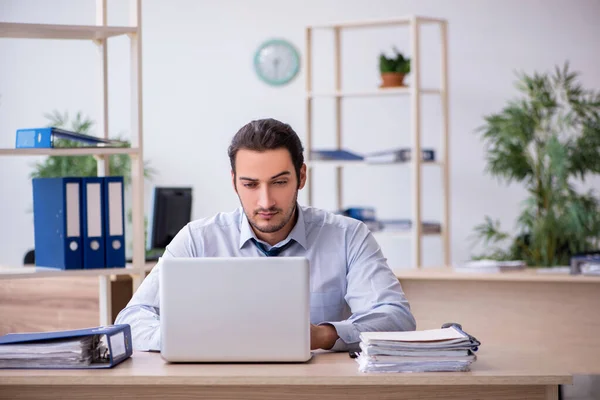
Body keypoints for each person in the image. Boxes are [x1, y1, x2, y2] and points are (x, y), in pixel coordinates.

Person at [115, 118, 416, 351]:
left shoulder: (348, 237)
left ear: (301, 177)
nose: (266, 202)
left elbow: (396, 319)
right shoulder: (197, 240)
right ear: (234, 182)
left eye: (279, 182)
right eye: (250, 185)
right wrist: (189, 338)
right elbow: (132, 320)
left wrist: (321, 335)